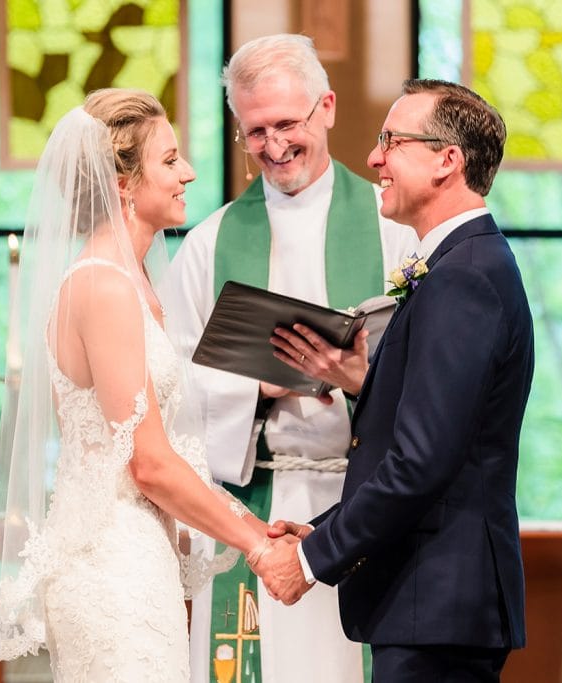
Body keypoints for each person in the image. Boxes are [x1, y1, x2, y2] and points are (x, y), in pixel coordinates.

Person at [0, 89, 277, 682]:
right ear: (123, 182)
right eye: (169, 161)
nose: (189, 173)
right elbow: (147, 463)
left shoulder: (132, 281)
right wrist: (257, 542)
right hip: (111, 569)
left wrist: (256, 529)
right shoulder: (104, 287)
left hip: (139, 557)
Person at [262, 79, 535, 683]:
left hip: (437, 601)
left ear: (447, 160)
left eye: (391, 140)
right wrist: (324, 527)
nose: (373, 158)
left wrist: (311, 559)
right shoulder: (456, 267)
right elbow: (420, 443)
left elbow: (421, 463)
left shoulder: (464, 277)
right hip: (429, 601)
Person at [164, 34, 417, 683]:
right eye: (256, 131)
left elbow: (430, 382)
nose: (273, 145)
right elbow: (163, 390)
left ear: (326, 107)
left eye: (287, 123)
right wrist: (263, 387)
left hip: (356, 501)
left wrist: (355, 376)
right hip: (252, 503)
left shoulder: (393, 230)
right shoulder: (211, 242)